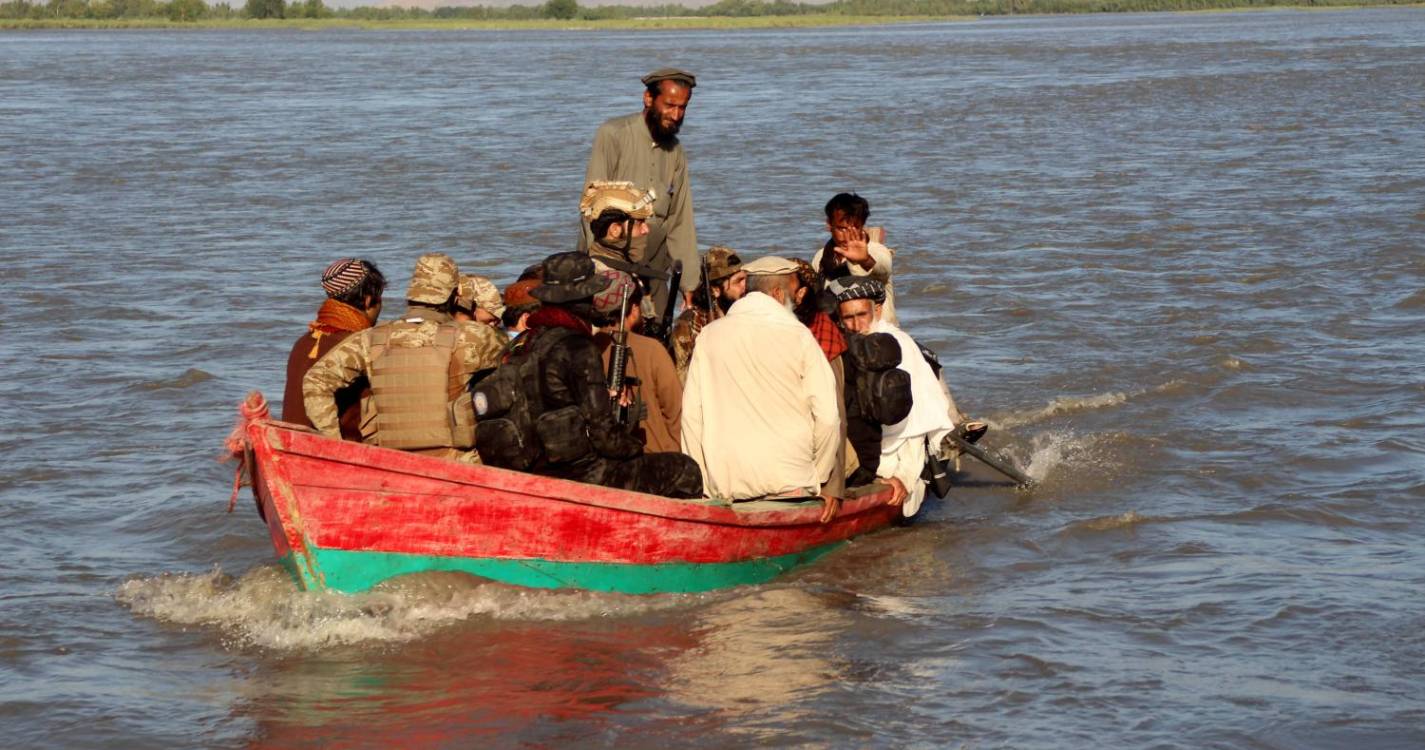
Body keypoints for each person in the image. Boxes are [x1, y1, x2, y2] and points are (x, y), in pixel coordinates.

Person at [474, 252, 702, 497]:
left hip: (529, 470)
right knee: (684, 468)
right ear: (583, 299)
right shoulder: (577, 347)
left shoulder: (519, 344)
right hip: (580, 474)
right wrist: (636, 447)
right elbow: (604, 436)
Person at [302, 253, 508, 463]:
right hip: (456, 462)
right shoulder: (474, 337)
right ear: (456, 297)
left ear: (412, 292)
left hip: (390, 462)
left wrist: (335, 444)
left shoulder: (370, 339)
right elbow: (519, 360)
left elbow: (315, 381)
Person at [681, 256, 841, 522]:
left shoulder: (709, 335)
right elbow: (827, 417)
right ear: (778, 294)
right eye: (792, 293)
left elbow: (691, 418)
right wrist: (819, 477)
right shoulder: (799, 336)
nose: (796, 300)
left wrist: (704, 488)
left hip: (726, 482)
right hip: (791, 482)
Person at [580, 68, 699, 318]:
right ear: (648, 99)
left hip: (655, 266)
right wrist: (597, 270)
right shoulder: (613, 134)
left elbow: (680, 220)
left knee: (659, 334)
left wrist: (689, 285)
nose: (676, 115)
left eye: (682, 107)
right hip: (611, 264)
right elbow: (592, 205)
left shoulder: (675, 151)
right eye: (669, 105)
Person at [834, 278, 955, 516]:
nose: (856, 325)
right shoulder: (843, 345)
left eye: (862, 315)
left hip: (897, 456)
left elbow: (917, 425)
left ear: (877, 310)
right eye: (848, 317)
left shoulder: (897, 346)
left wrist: (905, 477)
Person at [282, 258, 385, 441]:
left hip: (292, 444)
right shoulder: (360, 345)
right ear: (369, 300)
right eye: (380, 299)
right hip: (335, 453)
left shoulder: (303, 342)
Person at [592, 270, 684, 454]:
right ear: (633, 309)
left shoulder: (584, 349)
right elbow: (676, 414)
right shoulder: (652, 350)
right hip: (655, 458)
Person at [812, 193, 898, 325]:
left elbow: (883, 268)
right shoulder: (820, 257)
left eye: (855, 228)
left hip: (877, 336)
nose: (847, 236)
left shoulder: (876, 251)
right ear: (829, 225)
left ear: (862, 226)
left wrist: (864, 260)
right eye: (842, 229)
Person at [670, 245, 746, 384]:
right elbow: (682, 378)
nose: (745, 287)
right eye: (738, 281)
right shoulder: (689, 325)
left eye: (745, 279)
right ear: (715, 290)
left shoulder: (747, 314)